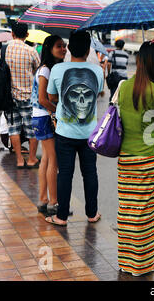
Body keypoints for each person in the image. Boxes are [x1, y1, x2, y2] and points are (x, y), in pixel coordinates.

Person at [116, 41, 154, 277]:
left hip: (125, 157)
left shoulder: (124, 87)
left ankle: (125, 262)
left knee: (127, 208)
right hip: (148, 159)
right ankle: (142, 265)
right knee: (145, 212)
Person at [45, 30, 103, 226]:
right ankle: (92, 214)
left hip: (65, 133)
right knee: (90, 173)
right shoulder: (98, 70)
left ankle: (61, 217)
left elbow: (51, 97)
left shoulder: (57, 70)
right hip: (89, 133)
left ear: (69, 48)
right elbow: (98, 93)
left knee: (65, 174)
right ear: (88, 50)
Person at [31, 35, 67, 216]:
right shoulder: (45, 70)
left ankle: (43, 199)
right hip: (44, 117)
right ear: (49, 48)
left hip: (39, 118)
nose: (63, 49)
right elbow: (43, 99)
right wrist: (56, 112)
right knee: (53, 159)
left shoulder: (45, 68)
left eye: (64, 46)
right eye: (59, 46)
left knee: (45, 158)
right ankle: (54, 202)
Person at [5, 22, 40, 168]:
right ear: (27, 35)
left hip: (9, 96)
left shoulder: (5, 49)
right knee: (32, 129)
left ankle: (19, 160)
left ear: (12, 34)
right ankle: (32, 159)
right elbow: (39, 70)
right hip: (27, 96)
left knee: (13, 128)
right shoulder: (31, 51)